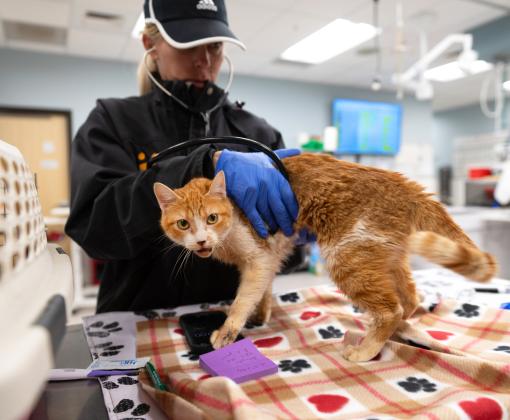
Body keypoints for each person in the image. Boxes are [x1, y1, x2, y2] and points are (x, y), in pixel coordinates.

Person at [65, 0, 303, 313]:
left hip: (235, 315)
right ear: (150, 44)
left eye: (215, 46)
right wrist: (204, 165)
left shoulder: (258, 135)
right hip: (139, 317)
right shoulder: (112, 121)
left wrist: (296, 232)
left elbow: (283, 259)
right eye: (189, 44)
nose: (205, 61)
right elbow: (96, 231)